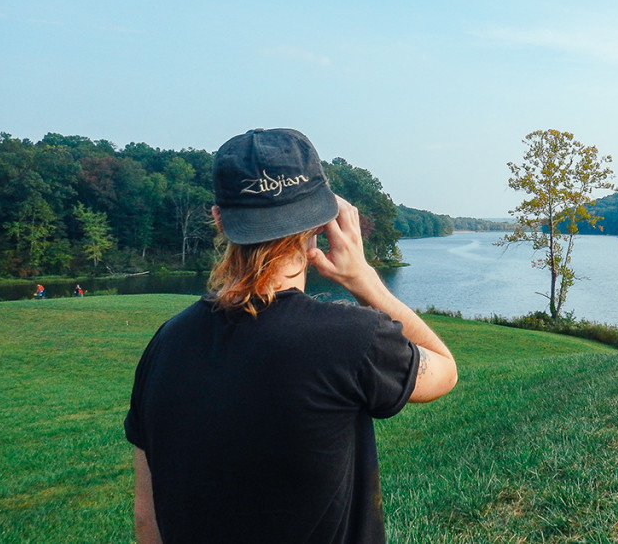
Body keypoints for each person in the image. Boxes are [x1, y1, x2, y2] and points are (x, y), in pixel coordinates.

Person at [124, 128, 456, 544]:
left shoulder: (165, 344)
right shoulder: (352, 339)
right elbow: (443, 369)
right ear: (324, 220)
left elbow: (146, 517)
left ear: (219, 219)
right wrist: (366, 282)